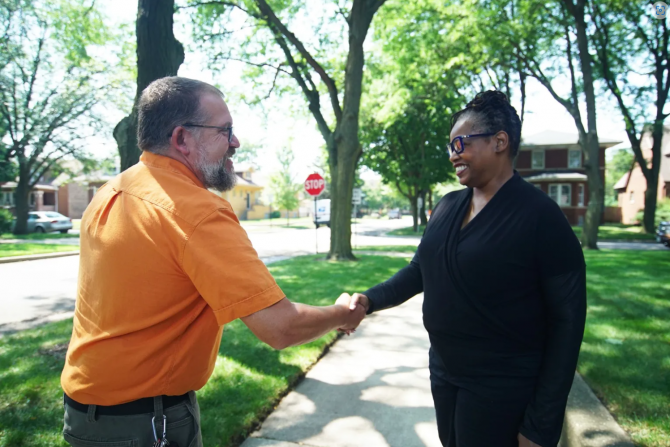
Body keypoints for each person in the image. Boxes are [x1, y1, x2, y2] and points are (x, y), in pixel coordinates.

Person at [60, 76, 366, 447]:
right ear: (182, 139)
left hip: (82, 418)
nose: (235, 142)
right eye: (226, 131)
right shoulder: (197, 212)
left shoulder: (111, 192)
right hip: (147, 424)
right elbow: (281, 328)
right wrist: (341, 314)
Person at [348, 91, 586, 447]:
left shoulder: (540, 216)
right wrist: (369, 300)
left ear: (499, 142)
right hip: (444, 372)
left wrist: (541, 424)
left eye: (460, 142)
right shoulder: (447, 206)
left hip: (502, 384)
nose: (453, 154)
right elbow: (419, 271)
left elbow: (568, 322)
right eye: (449, 146)